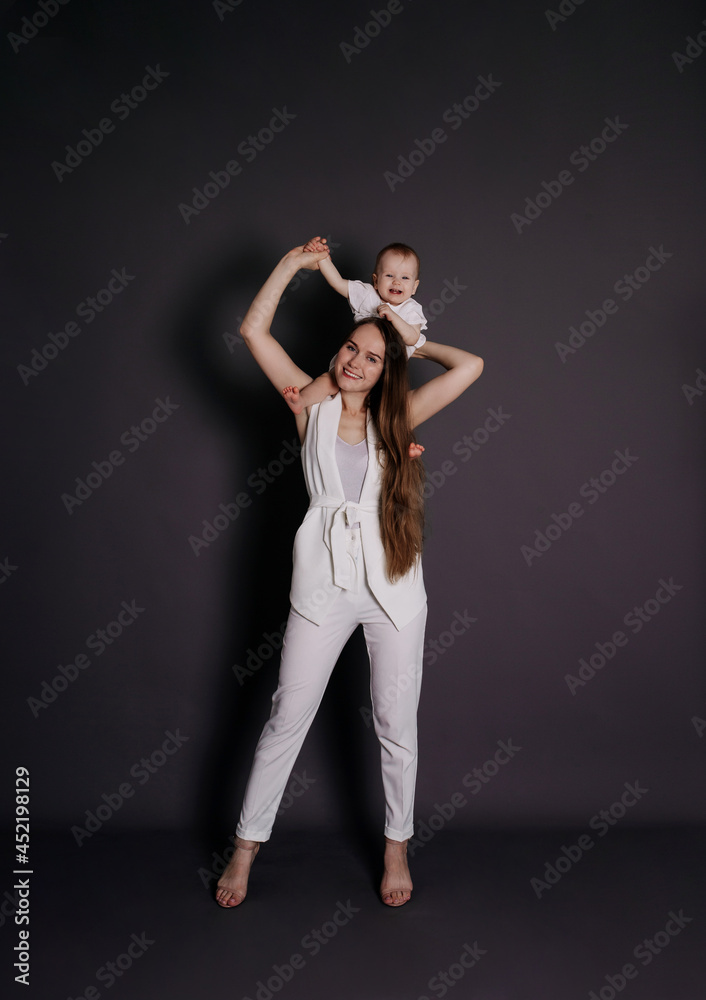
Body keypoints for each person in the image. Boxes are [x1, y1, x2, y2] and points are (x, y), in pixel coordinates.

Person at [216, 242, 483, 909]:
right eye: (350, 350)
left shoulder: (401, 416)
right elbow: (253, 331)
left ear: (383, 364)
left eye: (371, 355)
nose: (357, 361)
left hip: (394, 590)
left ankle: (397, 846)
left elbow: (471, 365)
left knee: (397, 721)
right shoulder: (310, 407)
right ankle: (245, 848)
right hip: (323, 587)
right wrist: (289, 266)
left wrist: (408, 340)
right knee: (287, 716)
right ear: (336, 355)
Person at [281, 238, 427, 416]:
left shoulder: (411, 309)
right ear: (375, 280)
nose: (397, 282)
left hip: (387, 374)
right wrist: (321, 257)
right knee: (328, 380)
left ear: (414, 287)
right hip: (356, 365)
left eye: (405, 278)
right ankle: (302, 401)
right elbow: (337, 282)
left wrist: (393, 317)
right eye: (389, 276)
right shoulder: (367, 295)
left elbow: (412, 338)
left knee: (385, 409)